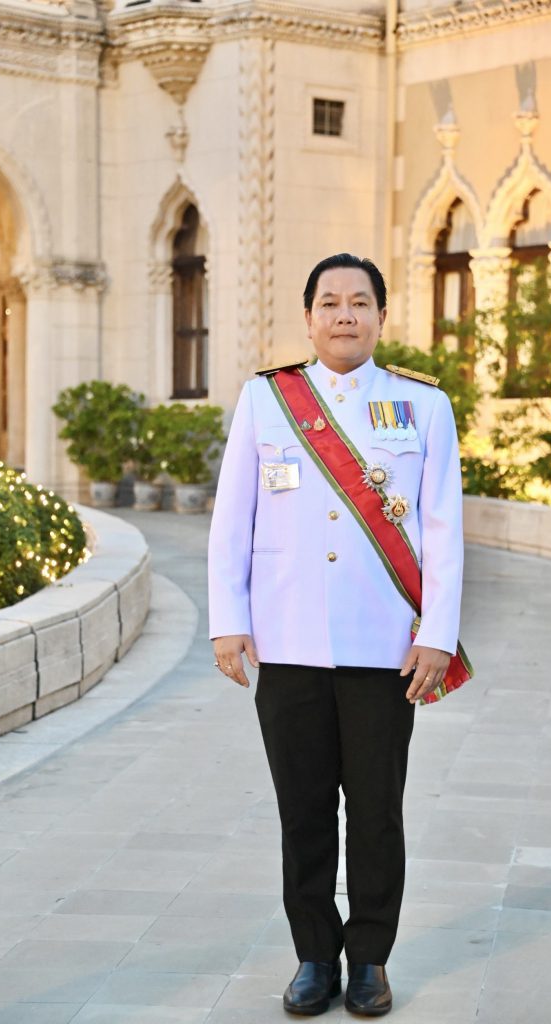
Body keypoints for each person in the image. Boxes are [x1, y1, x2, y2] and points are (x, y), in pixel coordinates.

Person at [208, 253, 470, 1017]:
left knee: (378, 811)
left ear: (382, 318)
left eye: (360, 302)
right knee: (304, 809)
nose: (345, 314)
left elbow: (444, 531)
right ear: (309, 316)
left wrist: (438, 635)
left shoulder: (421, 405)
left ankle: (370, 960)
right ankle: (315, 957)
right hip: (287, 645)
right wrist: (230, 622)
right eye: (330, 301)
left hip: (386, 648)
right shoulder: (267, 400)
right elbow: (232, 521)